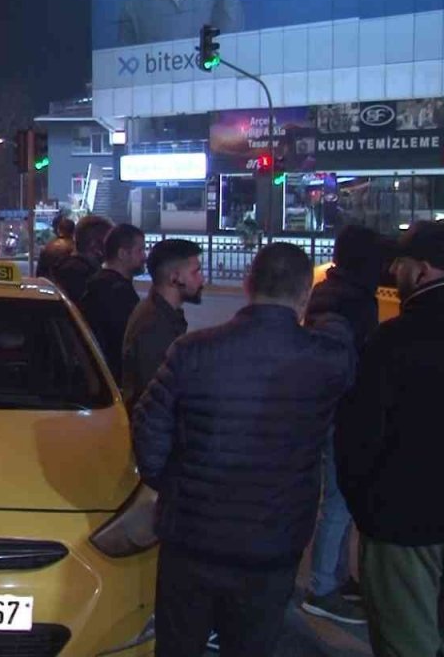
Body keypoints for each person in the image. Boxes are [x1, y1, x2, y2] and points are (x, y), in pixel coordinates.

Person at [132, 243, 355, 656]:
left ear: (248, 284)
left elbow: (148, 433)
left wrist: (173, 484)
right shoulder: (326, 360)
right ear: (305, 293)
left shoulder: (194, 350)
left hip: (192, 539)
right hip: (272, 542)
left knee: (179, 645)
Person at [337, 221, 444, 657]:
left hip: (402, 527)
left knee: (404, 644)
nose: (395, 272)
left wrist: (369, 513)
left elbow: (357, 439)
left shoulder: (393, 341)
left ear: (424, 270)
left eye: (401, 264)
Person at [299, 225, 385, 626]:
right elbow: (342, 361)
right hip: (341, 411)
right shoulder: (349, 299)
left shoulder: (334, 290)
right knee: (338, 500)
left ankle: (333, 576)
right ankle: (321, 588)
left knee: (339, 499)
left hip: (334, 409)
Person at [121, 238, 203, 406]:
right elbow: (156, 396)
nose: (202, 280)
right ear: (175, 278)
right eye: (196, 272)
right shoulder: (154, 324)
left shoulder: (162, 313)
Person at [77, 224, 146, 383]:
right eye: (140, 251)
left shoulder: (101, 284)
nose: (145, 257)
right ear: (122, 254)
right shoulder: (116, 292)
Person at [53, 214, 113, 303]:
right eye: (109, 243)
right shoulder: (86, 276)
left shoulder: (65, 267)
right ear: (95, 246)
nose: (112, 248)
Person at [36, 216, 75, 281]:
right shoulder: (77, 248)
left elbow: (40, 274)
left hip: (51, 286)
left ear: (58, 229)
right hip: (71, 287)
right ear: (73, 231)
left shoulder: (47, 247)